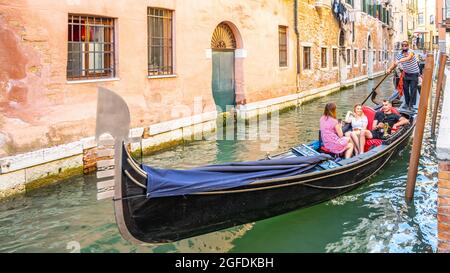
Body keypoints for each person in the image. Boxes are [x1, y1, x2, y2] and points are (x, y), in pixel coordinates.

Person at [387, 41, 420, 111]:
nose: (404, 46)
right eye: (403, 45)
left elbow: (408, 58)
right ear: (401, 47)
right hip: (406, 73)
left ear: (408, 46)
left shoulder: (411, 52)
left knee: (413, 89)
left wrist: (400, 61)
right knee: (405, 89)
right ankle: (407, 104)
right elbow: (395, 64)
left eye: (406, 45)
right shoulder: (399, 54)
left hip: (414, 73)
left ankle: (411, 105)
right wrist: (389, 69)